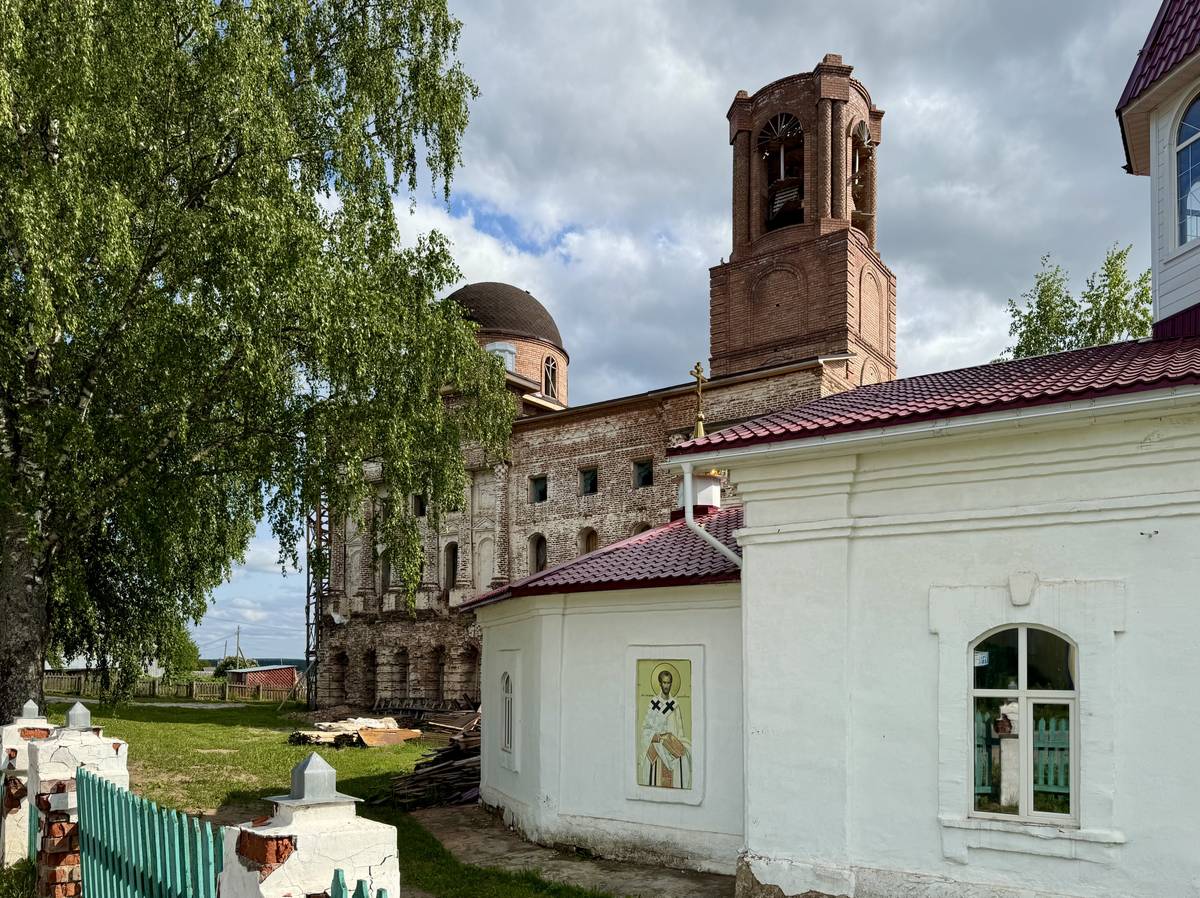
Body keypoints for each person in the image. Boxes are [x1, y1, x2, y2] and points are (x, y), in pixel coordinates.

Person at [639, 668, 691, 789]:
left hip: (671, 749)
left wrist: (678, 743)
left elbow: (680, 730)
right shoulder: (654, 703)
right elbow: (646, 728)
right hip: (658, 749)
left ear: (671, 683)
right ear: (660, 683)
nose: (666, 685)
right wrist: (655, 737)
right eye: (664, 682)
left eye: (668, 683)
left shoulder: (674, 705)